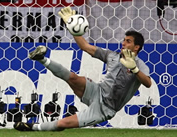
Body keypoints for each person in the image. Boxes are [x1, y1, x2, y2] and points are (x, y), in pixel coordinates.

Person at [14, 6, 151, 131]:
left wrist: (134, 69)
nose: (123, 43)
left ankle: (33, 127)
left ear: (136, 47)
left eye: (128, 41)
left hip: (105, 108)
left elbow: (148, 83)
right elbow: (85, 46)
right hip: (97, 91)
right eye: (124, 40)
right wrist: (71, 26)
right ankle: (41, 58)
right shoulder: (112, 56)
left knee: (63, 123)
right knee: (73, 77)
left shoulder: (139, 65)